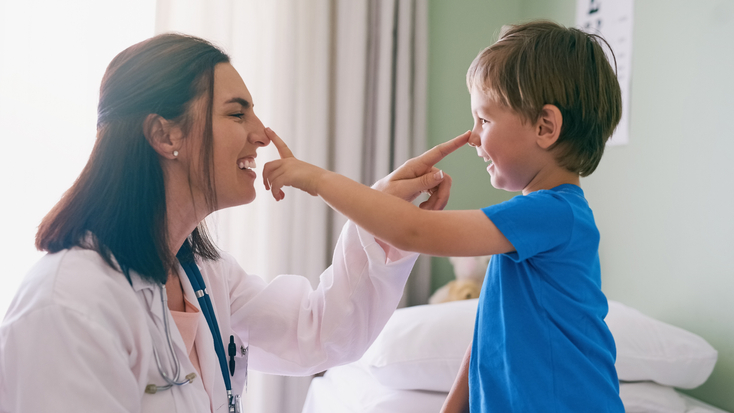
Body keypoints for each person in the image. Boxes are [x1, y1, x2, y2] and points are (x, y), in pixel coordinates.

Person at [0, 33, 462, 413]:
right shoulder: (68, 304)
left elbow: (319, 331)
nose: (262, 134)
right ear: (164, 135)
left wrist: (384, 215)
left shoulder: (203, 275)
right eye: (237, 113)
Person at [262, 20, 625, 412]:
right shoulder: (536, 221)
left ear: (545, 127)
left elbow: (413, 231)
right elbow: (491, 336)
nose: (473, 136)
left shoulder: (552, 214)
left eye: (484, 120)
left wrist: (318, 179)